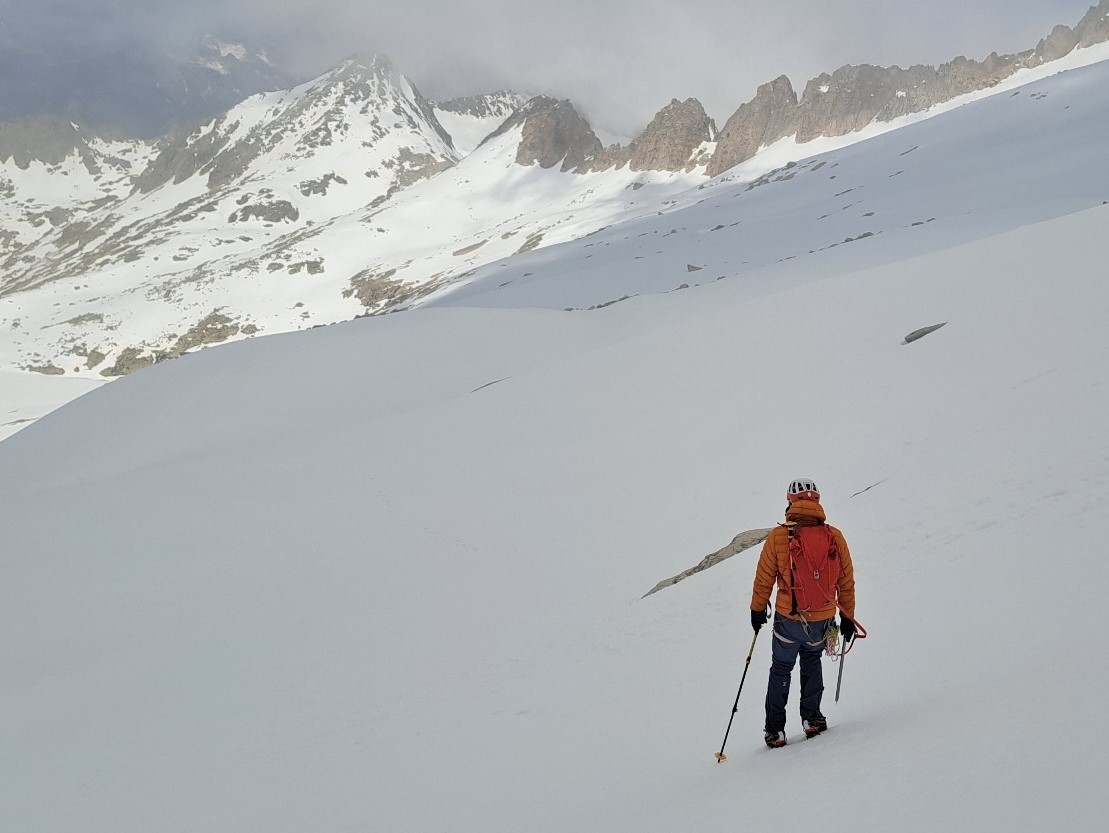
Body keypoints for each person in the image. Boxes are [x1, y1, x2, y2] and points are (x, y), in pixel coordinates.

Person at [750, 478, 856, 748]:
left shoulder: (779, 537)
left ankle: (775, 731)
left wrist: (757, 610)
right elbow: (846, 581)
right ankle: (812, 719)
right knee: (812, 661)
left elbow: (764, 578)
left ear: (790, 502)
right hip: (822, 620)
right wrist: (848, 617)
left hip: (789, 619)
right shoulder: (835, 535)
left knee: (781, 669)